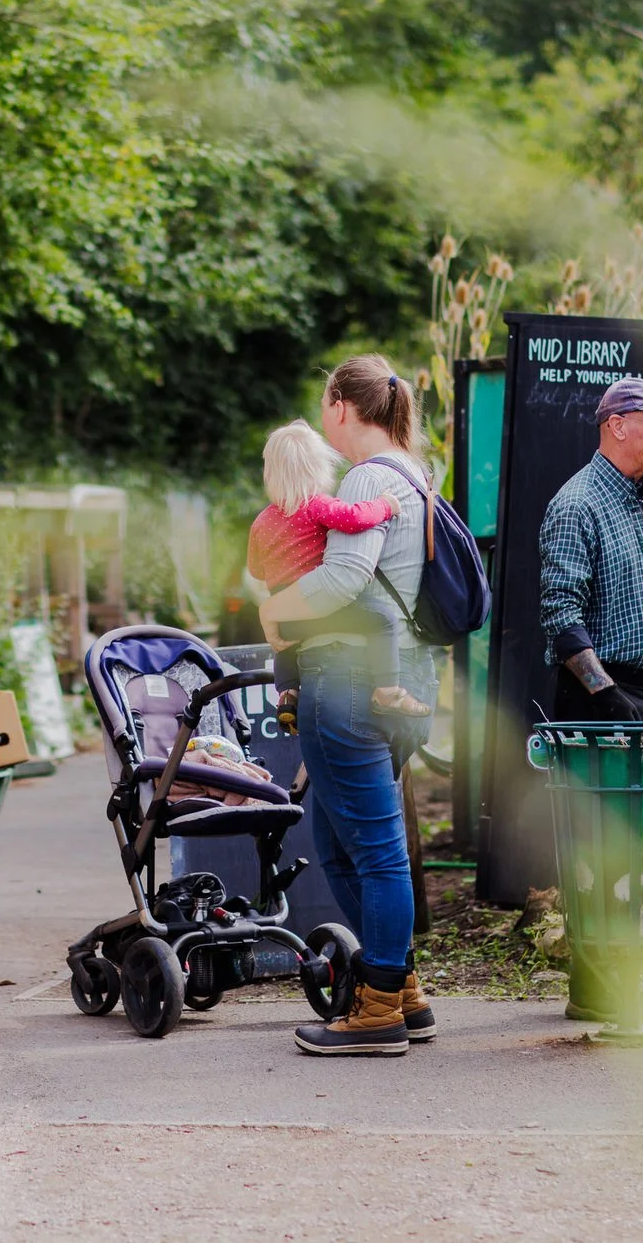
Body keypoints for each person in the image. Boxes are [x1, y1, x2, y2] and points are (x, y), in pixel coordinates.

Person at [258, 355, 440, 1057]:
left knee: (375, 851)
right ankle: (402, 989)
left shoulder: (366, 478)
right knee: (341, 843)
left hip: (347, 675)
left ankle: (377, 1008)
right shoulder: (410, 474)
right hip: (387, 676)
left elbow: (344, 576)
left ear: (340, 407)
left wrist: (275, 609)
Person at [539, 377, 643, 725]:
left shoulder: (637, 495)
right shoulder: (576, 505)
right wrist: (606, 694)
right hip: (599, 702)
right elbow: (561, 617)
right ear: (617, 426)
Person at [246, 419, 427, 722]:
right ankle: (388, 690)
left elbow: (255, 571)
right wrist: (385, 505)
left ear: (270, 475)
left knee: (285, 642)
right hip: (315, 605)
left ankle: (288, 694)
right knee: (381, 620)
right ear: (319, 469)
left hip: (286, 615)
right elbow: (355, 518)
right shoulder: (317, 506)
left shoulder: (261, 522)